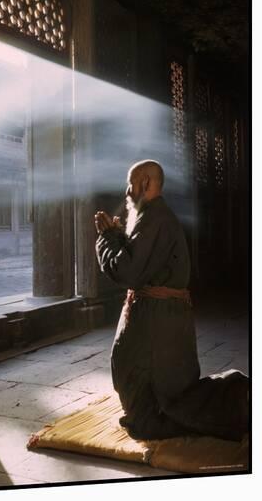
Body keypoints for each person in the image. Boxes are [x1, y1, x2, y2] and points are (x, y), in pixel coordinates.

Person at [94, 159, 248, 441]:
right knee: (156, 390)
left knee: (154, 415)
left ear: (143, 184)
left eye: (130, 186)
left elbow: (129, 271)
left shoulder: (156, 219)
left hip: (157, 323)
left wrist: (107, 239)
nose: (127, 193)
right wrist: (116, 236)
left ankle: (240, 399)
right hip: (160, 318)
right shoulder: (152, 217)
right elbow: (139, 258)